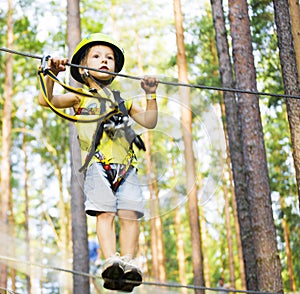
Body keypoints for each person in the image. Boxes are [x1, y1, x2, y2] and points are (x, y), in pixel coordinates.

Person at [38, 33, 158, 292]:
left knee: (130, 215)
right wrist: (51, 74)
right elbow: (46, 101)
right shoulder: (79, 97)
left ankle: (127, 263)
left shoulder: (122, 101)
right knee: (105, 213)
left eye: (109, 57)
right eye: (97, 56)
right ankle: (110, 259)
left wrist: (151, 95)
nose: (104, 61)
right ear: (82, 65)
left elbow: (149, 121)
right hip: (97, 165)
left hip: (126, 166)